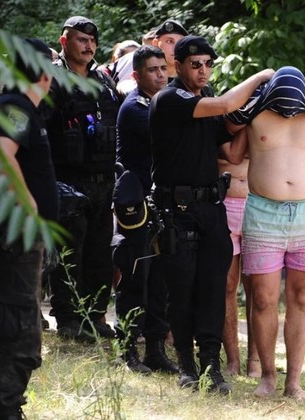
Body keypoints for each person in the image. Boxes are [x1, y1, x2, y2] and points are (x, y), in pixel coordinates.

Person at [149, 34, 274, 394]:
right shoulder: (170, 99)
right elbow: (227, 103)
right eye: (195, 64)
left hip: (210, 209)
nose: (203, 71)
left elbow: (232, 153)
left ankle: (211, 367)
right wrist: (262, 77)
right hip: (177, 210)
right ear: (178, 66)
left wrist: (253, 116)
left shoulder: (205, 100)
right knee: (182, 289)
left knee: (212, 289)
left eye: (207, 64)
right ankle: (187, 367)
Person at [226, 66, 305, 399]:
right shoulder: (253, 104)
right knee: (263, 298)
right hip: (263, 212)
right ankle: (267, 376)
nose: (288, 113)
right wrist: (255, 84)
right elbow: (229, 129)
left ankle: (293, 382)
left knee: (303, 298)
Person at [44, 16, 121, 341]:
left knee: (100, 253)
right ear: (64, 42)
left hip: (104, 180)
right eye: (81, 40)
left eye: (92, 40)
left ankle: (95, 316)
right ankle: (68, 318)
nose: (89, 46)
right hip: (68, 181)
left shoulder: (103, 80)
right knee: (69, 253)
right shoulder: (52, 80)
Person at [0, 38, 58, 419]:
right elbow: (2, 154)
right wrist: (31, 207)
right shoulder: (16, 107)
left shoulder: (20, 107)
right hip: (15, 240)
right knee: (19, 330)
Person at [113, 45, 177, 374]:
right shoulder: (135, 108)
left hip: (160, 203)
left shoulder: (161, 102)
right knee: (136, 277)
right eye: (153, 70)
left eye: (163, 68)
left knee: (160, 280)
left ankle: (155, 350)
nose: (161, 75)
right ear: (137, 76)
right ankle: (127, 351)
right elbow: (170, 134)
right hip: (136, 205)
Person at [219, 156, 261, 378]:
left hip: (258, 204)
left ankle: (254, 359)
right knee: (226, 286)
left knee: (257, 289)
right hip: (225, 204)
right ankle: (232, 360)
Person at [152, 19, 189, 83]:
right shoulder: (147, 82)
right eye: (169, 41)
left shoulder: (192, 83)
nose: (176, 47)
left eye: (180, 42)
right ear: (156, 44)